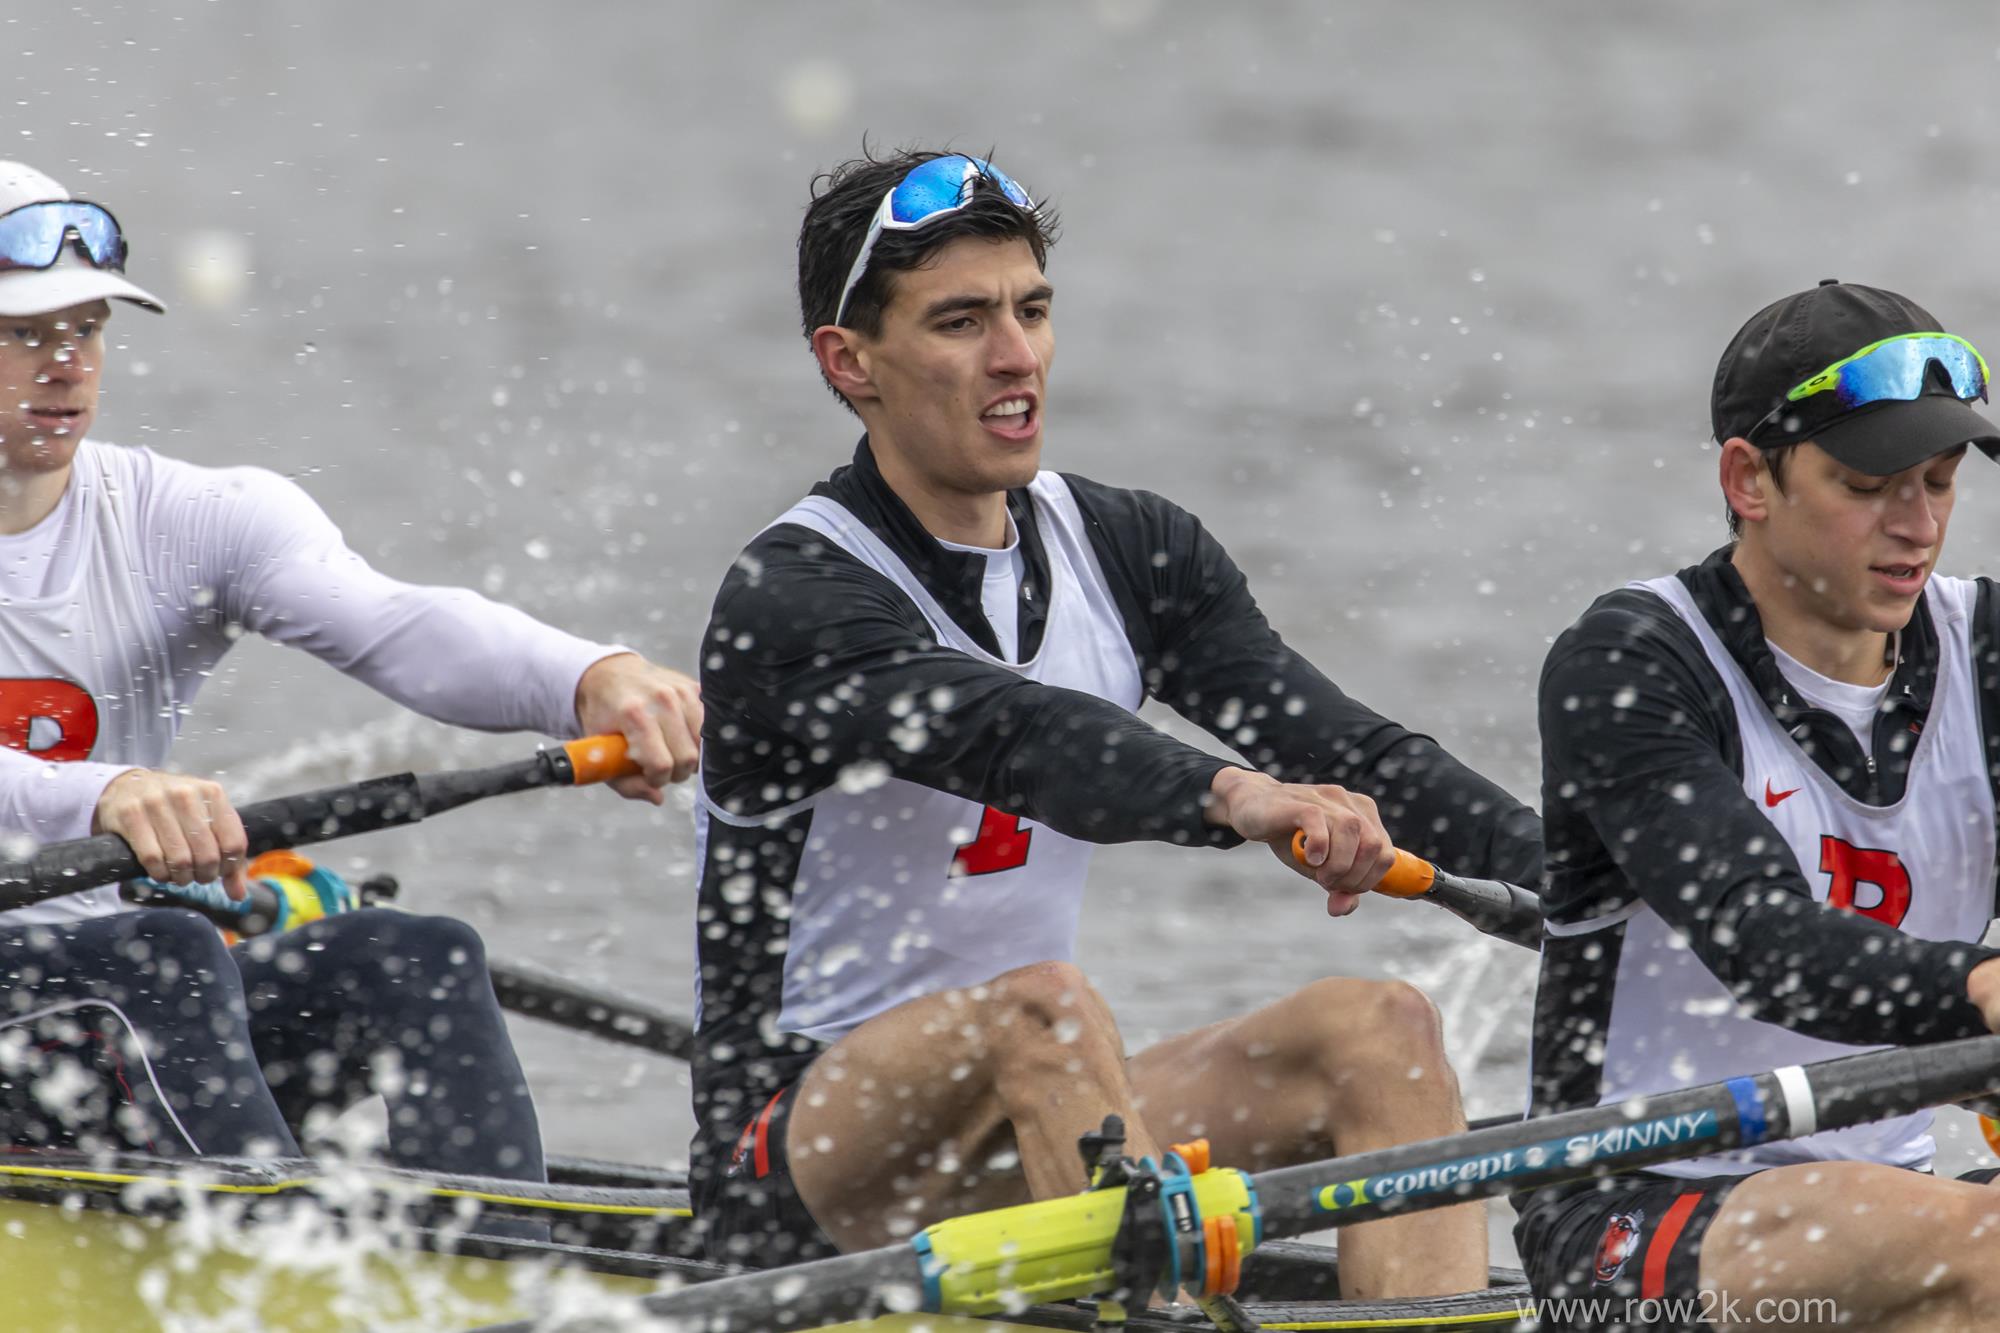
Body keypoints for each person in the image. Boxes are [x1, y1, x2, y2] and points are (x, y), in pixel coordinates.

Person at [689, 147, 1544, 1301]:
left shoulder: (1130, 550)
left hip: (1032, 1104)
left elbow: (1356, 755)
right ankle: (1153, 1293)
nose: (1015, 357)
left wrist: (1606, 892)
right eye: (960, 322)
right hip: (799, 1166)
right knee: (1042, 1005)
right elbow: (1020, 737)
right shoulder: (792, 596)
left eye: (1031, 310)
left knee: (1379, 1031)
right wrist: (1236, 796)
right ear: (850, 362)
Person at [0, 160, 703, 1186]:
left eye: (88, 327)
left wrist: (590, 677)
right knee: (166, 955)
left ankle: (499, 1253)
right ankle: (271, 1252)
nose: (67, 365)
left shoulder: (182, 520)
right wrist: (103, 794)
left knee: (417, 956)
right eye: (25, 334)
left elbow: (398, 623)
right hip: (109, 989)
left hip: (103, 1011)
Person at [1515, 279, 2000, 1330]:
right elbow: (1765, 944)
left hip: (1894, 1200)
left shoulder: (1987, 654)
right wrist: (1979, 986)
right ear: (1748, 479)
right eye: (1868, 484)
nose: (1917, 524)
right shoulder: (1630, 665)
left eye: (1939, 481)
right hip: (1630, 1214)